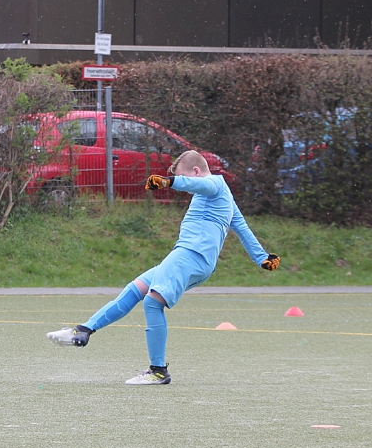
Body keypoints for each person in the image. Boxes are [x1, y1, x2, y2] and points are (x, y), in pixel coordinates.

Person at [47, 150, 279, 385]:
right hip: (191, 258)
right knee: (135, 289)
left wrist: (169, 182)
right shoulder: (224, 197)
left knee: (152, 302)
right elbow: (241, 227)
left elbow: (202, 185)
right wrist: (261, 258)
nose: (186, 187)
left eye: (185, 177)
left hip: (191, 255)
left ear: (196, 171)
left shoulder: (215, 184)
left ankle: (158, 371)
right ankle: (83, 330)